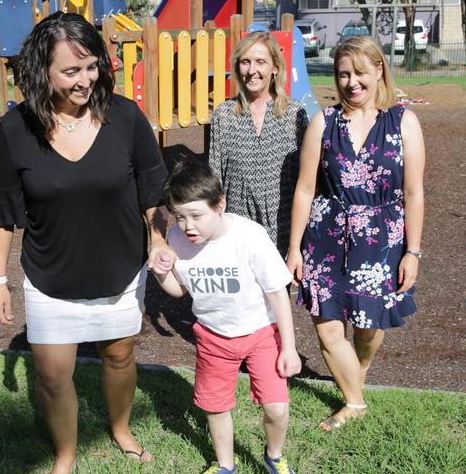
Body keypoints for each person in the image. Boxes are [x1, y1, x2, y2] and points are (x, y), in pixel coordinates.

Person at [0, 12, 171, 473]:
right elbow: (2, 210)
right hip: (49, 273)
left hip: (120, 268)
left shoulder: (125, 117)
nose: (86, 80)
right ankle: (66, 453)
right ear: (41, 71)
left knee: (120, 354)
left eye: (91, 67)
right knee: (51, 373)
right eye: (71, 71)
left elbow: (151, 192)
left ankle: (121, 429)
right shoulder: (15, 130)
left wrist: (159, 238)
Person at [287, 36, 425, 431]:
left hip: (382, 240)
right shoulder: (323, 123)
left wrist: (412, 252)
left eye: (360, 72)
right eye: (343, 73)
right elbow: (305, 189)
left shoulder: (403, 122)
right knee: (328, 327)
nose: (351, 82)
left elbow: (414, 192)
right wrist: (294, 248)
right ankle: (354, 402)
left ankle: (356, 374)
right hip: (325, 237)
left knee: (369, 328)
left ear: (379, 70)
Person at [152, 160, 302, 474]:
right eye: (180, 217)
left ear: (220, 204)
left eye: (196, 215)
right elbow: (178, 290)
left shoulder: (250, 236)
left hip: (261, 333)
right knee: (215, 405)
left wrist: (288, 347)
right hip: (212, 336)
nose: (188, 226)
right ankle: (225, 465)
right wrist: (161, 273)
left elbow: (277, 292)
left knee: (276, 407)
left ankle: (273, 455)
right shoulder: (179, 241)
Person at [209, 30, 308, 258]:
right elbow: (215, 178)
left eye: (260, 62)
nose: (252, 70)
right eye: (245, 62)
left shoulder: (294, 115)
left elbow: (306, 181)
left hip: (282, 229)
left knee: (277, 294)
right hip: (237, 229)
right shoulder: (224, 115)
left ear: (275, 68)